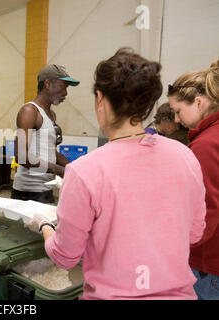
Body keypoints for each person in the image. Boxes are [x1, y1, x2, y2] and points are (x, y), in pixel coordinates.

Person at [26, 48, 207, 300]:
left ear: (100, 99)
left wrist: (45, 226)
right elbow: (194, 234)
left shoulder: (85, 171)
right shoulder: (186, 156)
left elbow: (65, 256)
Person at [167, 60, 219, 300]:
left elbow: (207, 213)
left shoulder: (206, 145)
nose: (177, 120)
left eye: (178, 111)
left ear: (199, 103)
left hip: (206, 264)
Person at [11, 64, 80, 204]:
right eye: (64, 86)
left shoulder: (51, 115)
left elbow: (50, 152)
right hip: (28, 192)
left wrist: (72, 168)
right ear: (48, 84)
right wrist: (58, 170)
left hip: (45, 189)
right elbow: (21, 156)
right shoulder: (30, 111)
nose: (66, 93)